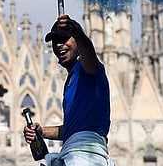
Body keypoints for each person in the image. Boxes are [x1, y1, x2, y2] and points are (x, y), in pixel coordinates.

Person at [23, 14, 114, 166]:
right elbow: (72, 130)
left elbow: (89, 55)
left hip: (86, 155)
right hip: (72, 153)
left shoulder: (88, 70)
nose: (59, 45)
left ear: (77, 42)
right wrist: (43, 132)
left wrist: (79, 35)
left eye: (65, 39)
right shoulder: (71, 81)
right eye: (55, 41)